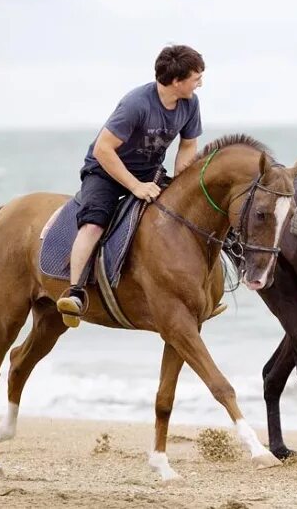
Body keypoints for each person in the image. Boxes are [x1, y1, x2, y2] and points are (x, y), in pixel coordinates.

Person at [56, 44, 205, 326]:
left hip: (150, 173)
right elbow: (103, 149)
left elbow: (188, 146)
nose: (200, 83)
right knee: (94, 224)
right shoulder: (136, 104)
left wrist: (181, 184)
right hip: (106, 171)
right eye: (196, 78)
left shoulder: (190, 104)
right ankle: (75, 292)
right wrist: (135, 186)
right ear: (177, 81)